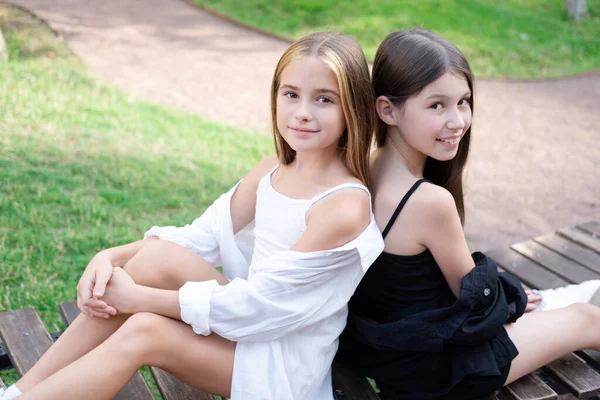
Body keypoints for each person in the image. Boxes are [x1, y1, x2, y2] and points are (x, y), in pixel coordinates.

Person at [1, 32, 384, 400]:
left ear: (353, 109)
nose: (302, 112)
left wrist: (138, 298)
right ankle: (19, 391)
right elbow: (197, 238)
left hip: (278, 364)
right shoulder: (270, 172)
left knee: (145, 330)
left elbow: (260, 306)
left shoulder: (342, 206)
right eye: (291, 94)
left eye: (324, 100)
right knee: (156, 256)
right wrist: (110, 257)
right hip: (246, 330)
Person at [335, 28, 600, 400]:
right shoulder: (427, 201)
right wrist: (511, 299)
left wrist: (508, 298)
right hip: (431, 369)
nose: (458, 120)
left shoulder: (358, 168)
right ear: (387, 109)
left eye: (463, 101)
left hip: (376, 348)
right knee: (586, 318)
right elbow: (477, 305)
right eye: (436, 105)